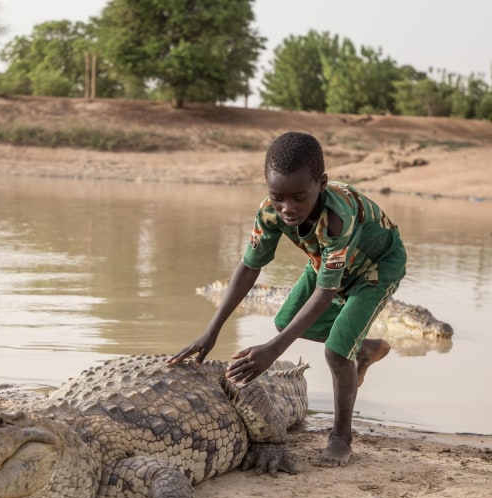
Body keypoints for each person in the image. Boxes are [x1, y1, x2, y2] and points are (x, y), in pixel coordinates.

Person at [167, 131, 407, 467]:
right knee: (284, 321)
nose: (287, 209)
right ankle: (362, 349)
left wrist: (274, 349)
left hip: (375, 268)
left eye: (299, 197)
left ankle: (341, 437)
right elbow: (250, 267)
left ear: (321, 184)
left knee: (336, 352)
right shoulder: (269, 212)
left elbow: (326, 293)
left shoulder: (337, 220)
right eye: (278, 196)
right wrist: (213, 328)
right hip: (325, 261)